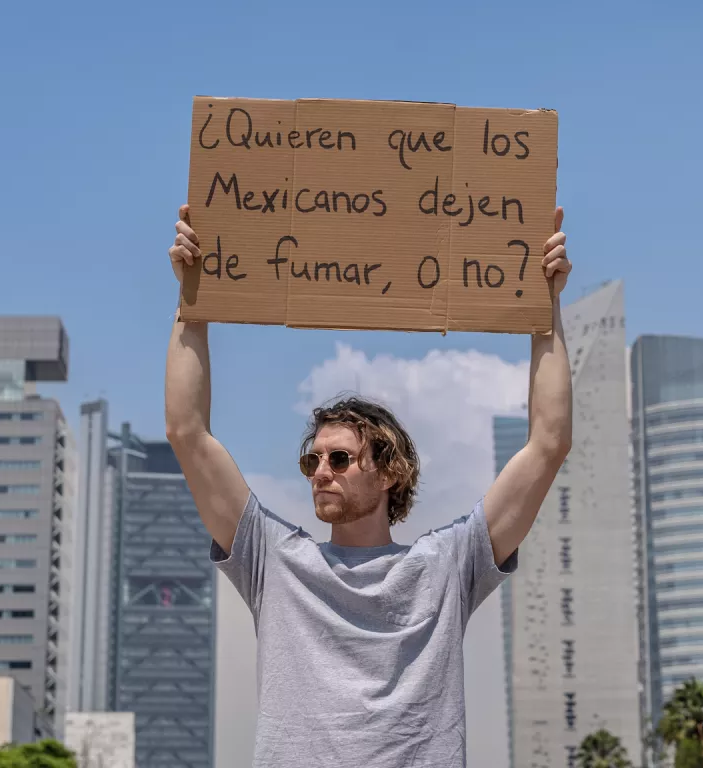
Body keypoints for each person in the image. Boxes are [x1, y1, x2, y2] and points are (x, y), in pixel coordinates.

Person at [165, 203, 573, 768]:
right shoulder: (274, 560)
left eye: (339, 457)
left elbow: (548, 443)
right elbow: (187, 432)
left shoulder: (448, 564)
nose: (321, 471)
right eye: (312, 461)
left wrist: (546, 302)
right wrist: (193, 298)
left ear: (389, 471)